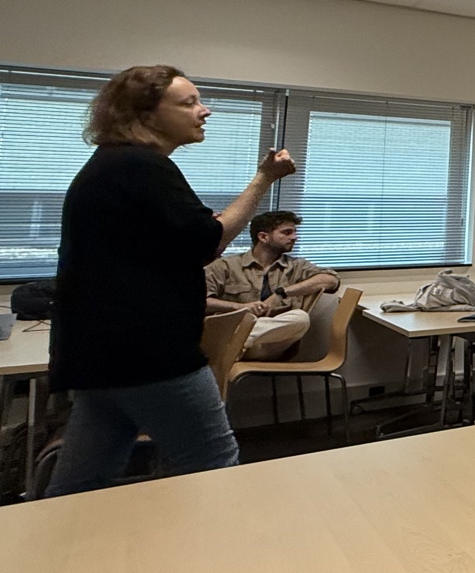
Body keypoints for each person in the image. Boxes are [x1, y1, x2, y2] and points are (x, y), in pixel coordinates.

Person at [47, 65, 297, 496]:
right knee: (215, 466)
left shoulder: (112, 164)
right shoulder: (141, 166)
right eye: (189, 102)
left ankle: (53, 539)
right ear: (145, 114)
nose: (205, 111)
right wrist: (264, 179)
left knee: (84, 482)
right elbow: (209, 241)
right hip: (148, 353)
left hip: (99, 351)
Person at [203, 209, 341, 360]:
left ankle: (239, 343)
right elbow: (200, 302)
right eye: (287, 232)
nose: (294, 237)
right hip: (231, 332)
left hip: (267, 346)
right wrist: (240, 307)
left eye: (294, 232)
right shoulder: (225, 266)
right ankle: (238, 343)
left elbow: (331, 280)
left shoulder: (297, 266)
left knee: (300, 318)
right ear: (263, 237)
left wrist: (281, 293)